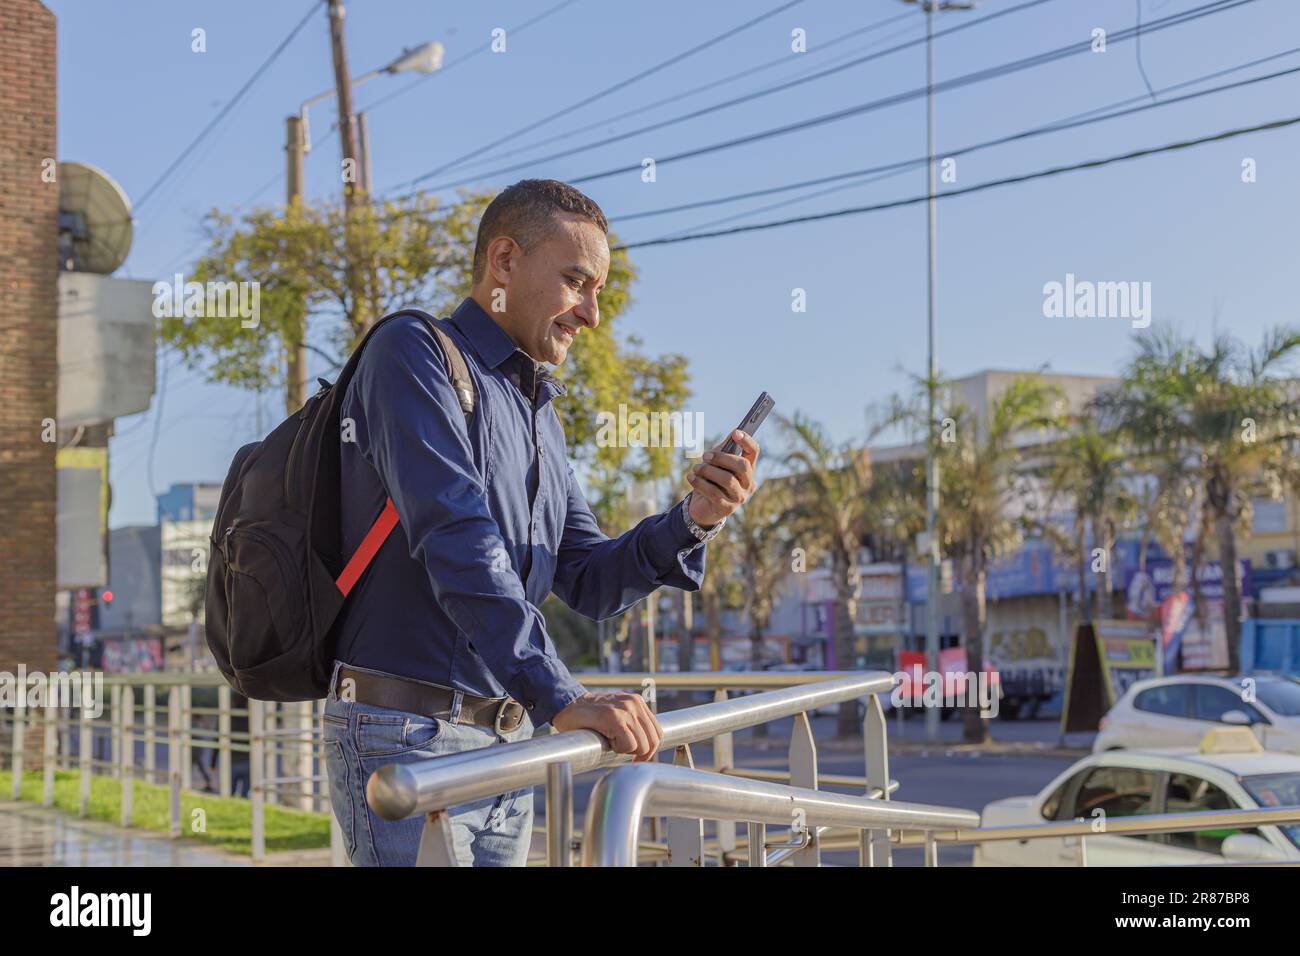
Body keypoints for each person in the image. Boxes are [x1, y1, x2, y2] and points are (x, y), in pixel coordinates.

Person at [322, 179, 760, 866]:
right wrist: (560, 695)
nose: (591, 314)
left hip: (509, 742)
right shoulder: (411, 354)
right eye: (576, 282)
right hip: (405, 733)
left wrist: (693, 520)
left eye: (599, 293)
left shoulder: (537, 414)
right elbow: (456, 536)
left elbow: (585, 576)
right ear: (503, 263)